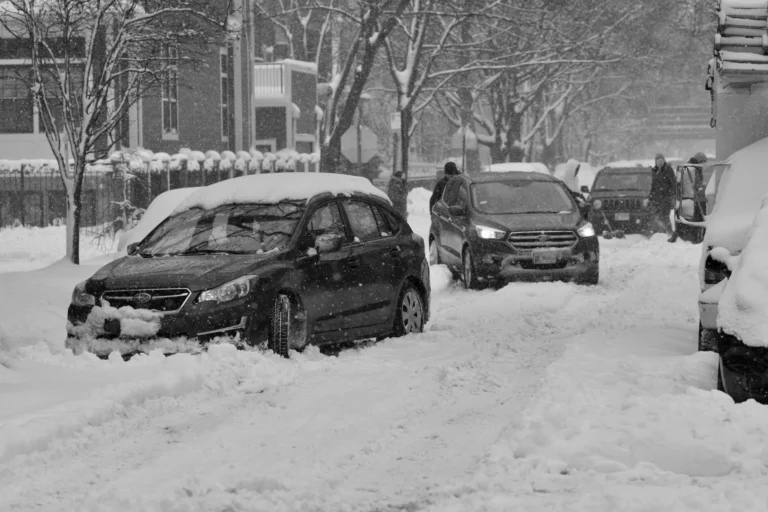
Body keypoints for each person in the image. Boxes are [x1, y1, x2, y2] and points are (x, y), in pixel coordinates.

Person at [649, 153, 677, 242]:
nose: (660, 163)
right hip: (656, 198)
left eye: (661, 161)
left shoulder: (668, 170)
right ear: (655, 162)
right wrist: (651, 196)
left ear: (664, 161)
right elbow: (652, 185)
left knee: (665, 216)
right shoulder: (654, 171)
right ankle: (660, 233)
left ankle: (669, 232)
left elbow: (673, 184)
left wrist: (671, 195)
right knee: (656, 216)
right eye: (658, 161)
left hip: (666, 198)